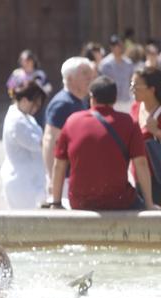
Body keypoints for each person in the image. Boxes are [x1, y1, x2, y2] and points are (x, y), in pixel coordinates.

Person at [50, 76, 157, 211]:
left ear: (92, 97)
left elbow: (59, 165)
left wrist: (56, 203)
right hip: (118, 200)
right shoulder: (129, 122)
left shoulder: (72, 121)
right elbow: (141, 163)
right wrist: (149, 204)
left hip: (80, 202)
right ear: (115, 99)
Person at [42, 57, 95, 202]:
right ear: (70, 78)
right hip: (64, 180)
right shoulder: (62, 104)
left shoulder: (80, 101)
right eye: (84, 73)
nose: (90, 77)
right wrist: (53, 179)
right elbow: (49, 141)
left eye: (90, 73)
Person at [1, 81, 47, 209]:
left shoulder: (26, 117)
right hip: (22, 184)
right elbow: (38, 144)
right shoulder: (17, 121)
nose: (37, 109)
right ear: (26, 100)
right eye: (36, 104)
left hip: (29, 181)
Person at [129, 66, 161, 204]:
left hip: (157, 178)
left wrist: (157, 132)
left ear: (152, 89)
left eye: (136, 85)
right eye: (131, 84)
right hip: (138, 177)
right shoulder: (135, 107)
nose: (132, 89)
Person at [99, 35, 135, 113]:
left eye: (119, 45)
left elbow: (131, 80)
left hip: (126, 100)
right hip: (112, 102)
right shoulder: (105, 64)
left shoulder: (129, 63)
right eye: (114, 45)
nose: (118, 48)